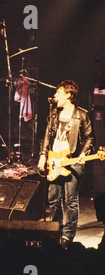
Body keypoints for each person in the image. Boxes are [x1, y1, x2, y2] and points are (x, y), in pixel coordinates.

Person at [37, 80, 95, 245]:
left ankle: (67, 236)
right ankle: (56, 229)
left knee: (70, 200)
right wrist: (43, 155)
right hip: (54, 160)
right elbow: (48, 135)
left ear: (68, 95)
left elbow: (90, 137)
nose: (55, 96)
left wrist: (84, 153)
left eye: (58, 93)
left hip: (73, 161)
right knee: (53, 198)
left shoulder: (81, 115)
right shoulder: (55, 113)